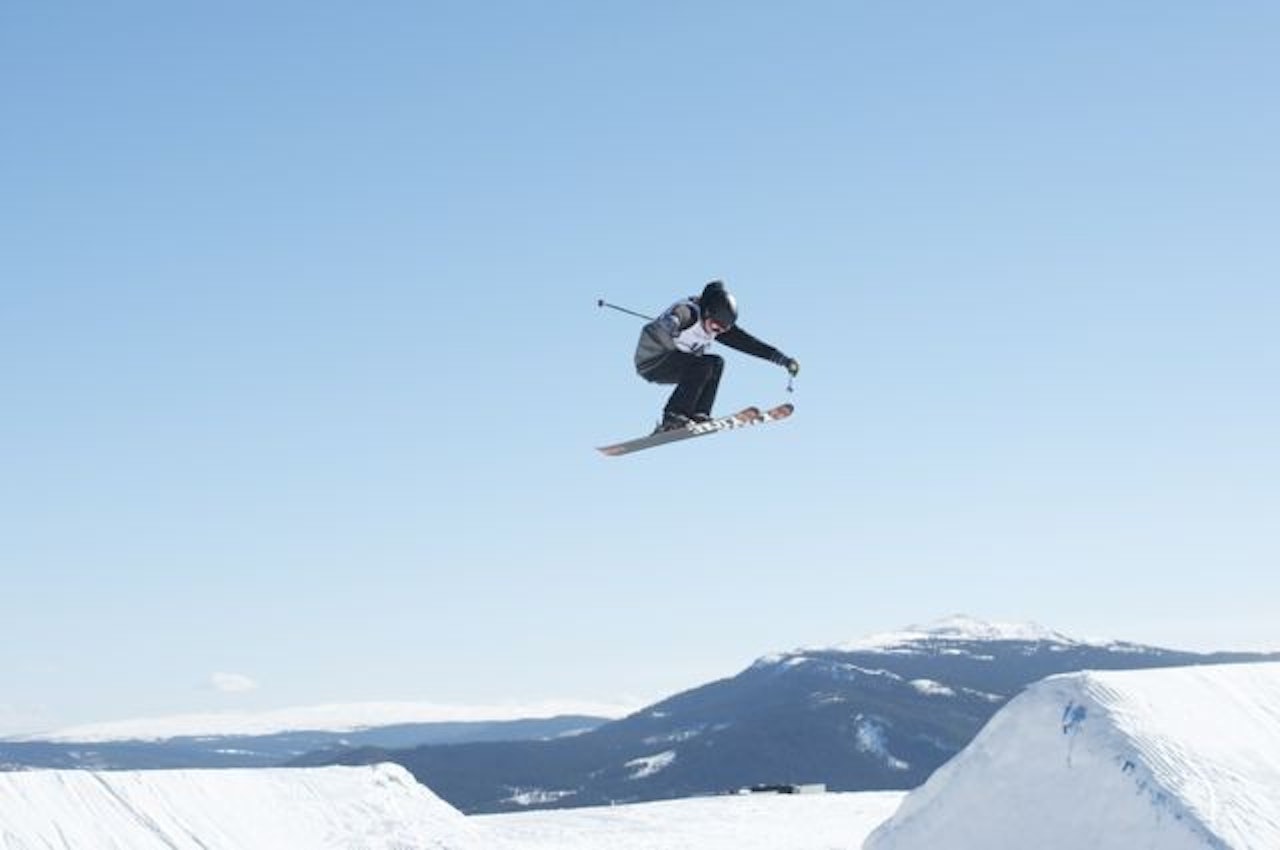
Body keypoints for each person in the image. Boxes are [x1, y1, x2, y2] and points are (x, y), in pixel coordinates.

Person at [634, 280, 799, 431]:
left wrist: (782, 359)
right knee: (702, 365)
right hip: (653, 361)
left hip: (677, 364)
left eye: (722, 330)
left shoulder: (716, 325)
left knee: (716, 363)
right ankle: (673, 416)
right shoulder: (689, 312)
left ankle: (699, 414)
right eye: (715, 326)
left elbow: (749, 344)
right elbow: (675, 317)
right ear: (706, 312)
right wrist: (671, 324)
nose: (717, 331)